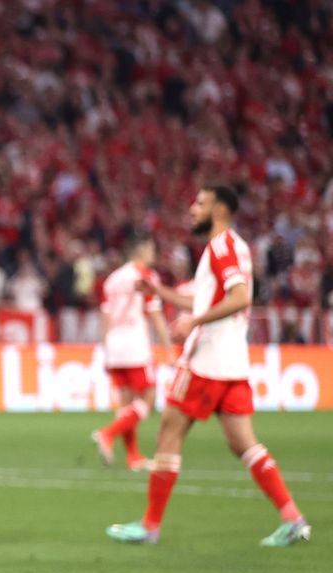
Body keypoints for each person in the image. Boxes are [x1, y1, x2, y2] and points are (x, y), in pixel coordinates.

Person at [107, 185, 310, 547]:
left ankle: (150, 525)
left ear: (219, 210)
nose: (192, 208)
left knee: (168, 433)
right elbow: (208, 299)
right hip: (233, 362)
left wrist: (194, 322)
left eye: (200, 203)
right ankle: (292, 517)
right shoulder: (236, 246)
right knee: (244, 443)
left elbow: (240, 298)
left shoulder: (220, 247)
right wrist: (161, 294)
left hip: (206, 361)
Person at [91, 235, 171, 470]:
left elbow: (104, 316)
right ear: (141, 250)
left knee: (126, 403)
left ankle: (133, 456)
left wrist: (105, 349)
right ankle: (108, 433)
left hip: (114, 346)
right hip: (135, 345)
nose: (153, 254)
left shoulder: (112, 279)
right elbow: (155, 314)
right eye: (151, 249)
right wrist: (168, 348)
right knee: (149, 399)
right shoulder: (145, 276)